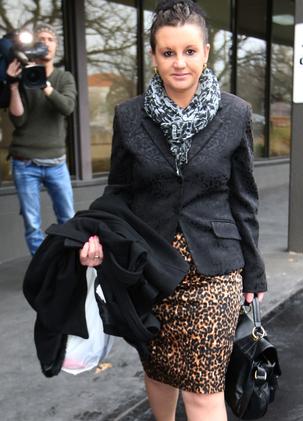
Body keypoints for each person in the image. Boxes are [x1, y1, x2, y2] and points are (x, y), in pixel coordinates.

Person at [80, 1, 267, 420]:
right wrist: (96, 239)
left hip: (214, 270)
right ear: (153, 56)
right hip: (150, 269)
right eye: (168, 52)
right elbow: (119, 193)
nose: (179, 63)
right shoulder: (129, 117)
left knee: (203, 389)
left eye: (189, 51)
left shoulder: (235, 114)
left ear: (205, 52)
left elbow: (244, 199)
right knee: (161, 371)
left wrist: (254, 272)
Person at [6, 23, 77, 255]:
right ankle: (42, 271)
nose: (45, 43)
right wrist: (14, 86)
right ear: (35, 46)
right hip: (24, 162)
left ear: (56, 46)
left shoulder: (64, 77)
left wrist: (44, 85)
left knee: (67, 218)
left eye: (50, 39)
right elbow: (18, 120)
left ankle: (68, 266)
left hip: (56, 162)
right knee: (32, 225)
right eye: (41, 39)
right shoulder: (24, 78)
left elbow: (67, 107)